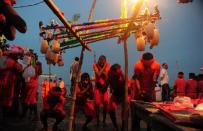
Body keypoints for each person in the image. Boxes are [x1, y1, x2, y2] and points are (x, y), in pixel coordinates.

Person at [107, 64, 131, 131]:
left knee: (125, 111)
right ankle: (115, 126)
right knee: (110, 109)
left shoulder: (123, 77)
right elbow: (106, 85)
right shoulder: (110, 76)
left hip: (124, 95)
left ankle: (123, 127)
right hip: (115, 95)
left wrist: (123, 77)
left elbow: (129, 88)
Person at [93, 55, 110, 126]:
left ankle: (103, 120)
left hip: (105, 88)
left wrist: (100, 68)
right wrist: (103, 68)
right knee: (97, 105)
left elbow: (106, 74)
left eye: (103, 60)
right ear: (99, 60)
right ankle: (97, 121)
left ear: (105, 61)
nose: (102, 61)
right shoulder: (94, 65)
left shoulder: (107, 65)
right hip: (98, 88)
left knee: (105, 105)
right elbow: (99, 74)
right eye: (100, 60)